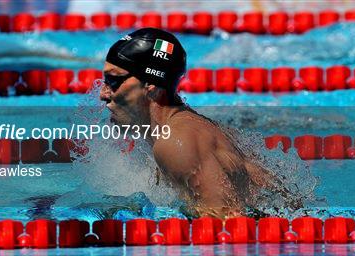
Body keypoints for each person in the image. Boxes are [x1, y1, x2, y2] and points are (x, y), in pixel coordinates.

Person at [100, 28, 297, 218]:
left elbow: (230, 226)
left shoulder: (177, 143)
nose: (103, 94)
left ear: (150, 85)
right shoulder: (179, 131)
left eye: (114, 80)